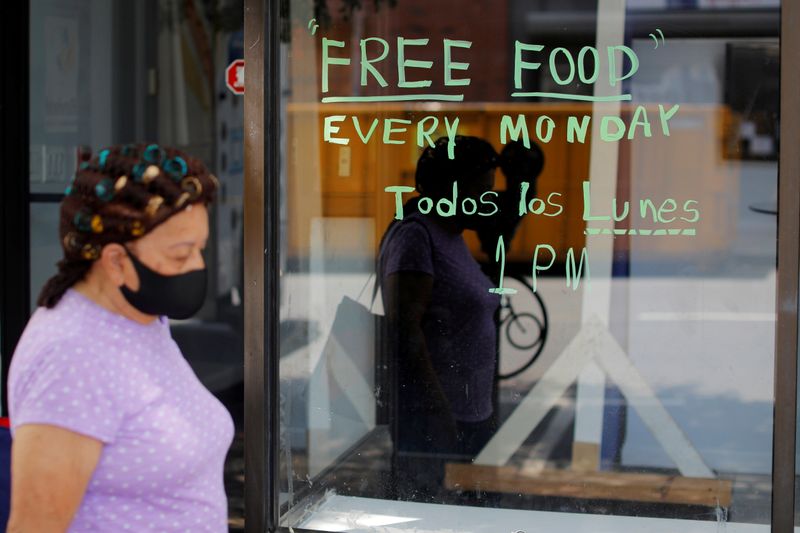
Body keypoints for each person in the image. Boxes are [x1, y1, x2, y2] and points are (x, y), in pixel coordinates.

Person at [6, 143, 232, 532]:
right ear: (115, 261)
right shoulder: (71, 358)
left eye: (201, 249)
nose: (197, 266)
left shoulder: (142, 319)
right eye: (181, 255)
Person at [380, 136, 544, 501]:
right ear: (451, 189)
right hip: (437, 424)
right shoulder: (416, 237)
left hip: (465, 416)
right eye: (481, 190)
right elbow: (405, 331)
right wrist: (440, 415)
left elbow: (506, 215)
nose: (489, 199)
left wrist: (524, 178)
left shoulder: (451, 233)